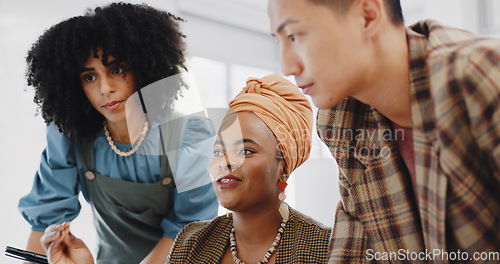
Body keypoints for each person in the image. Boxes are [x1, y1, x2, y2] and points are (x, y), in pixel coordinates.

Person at [268, 0, 500, 263]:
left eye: (295, 36)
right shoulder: (341, 120)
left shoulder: (482, 76)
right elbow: (355, 246)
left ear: (367, 16)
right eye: (279, 41)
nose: (287, 66)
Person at [40, 74, 332, 264]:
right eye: (218, 150)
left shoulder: (327, 249)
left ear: (283, 167)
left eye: (245, 150)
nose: (224, 162)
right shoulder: (189, 243)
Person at [18, 3, 218, 264]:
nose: (105, 88)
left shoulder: (188, 136)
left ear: (144, 69)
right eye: (90, 77)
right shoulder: (70, 139)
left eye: (117, 70)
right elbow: (44, 224)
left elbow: (191, 231)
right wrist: (49, 248)